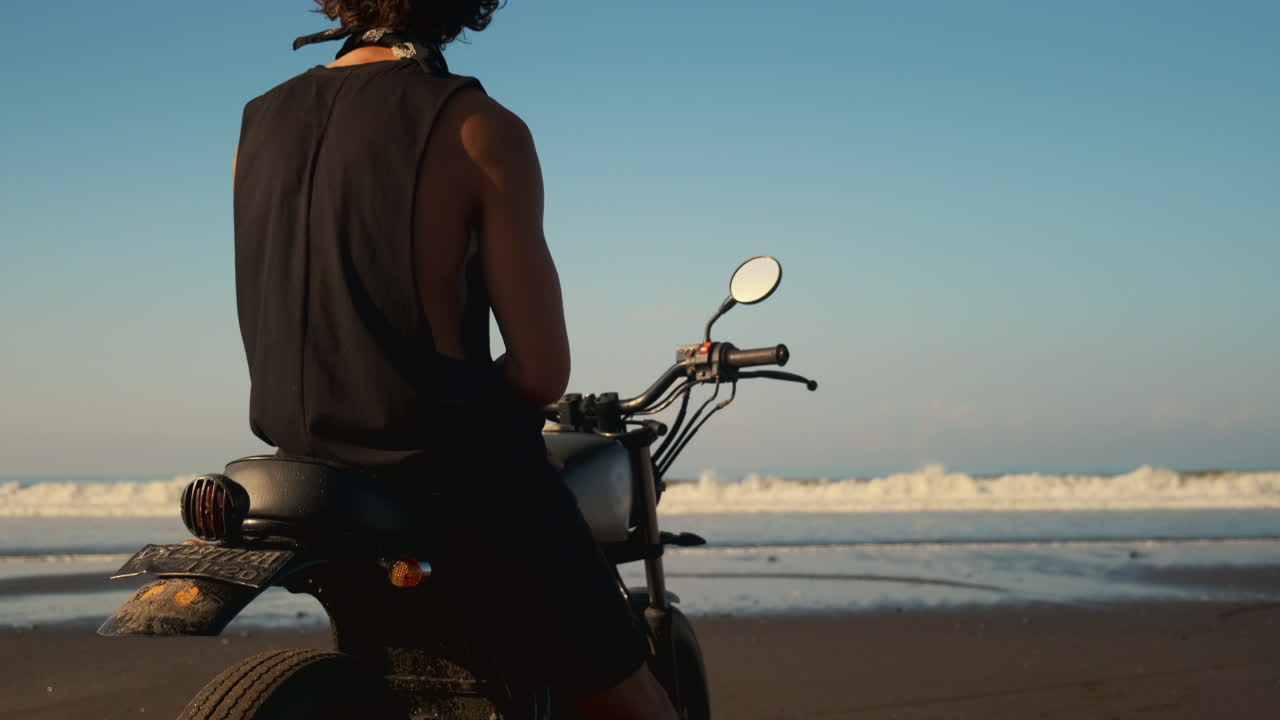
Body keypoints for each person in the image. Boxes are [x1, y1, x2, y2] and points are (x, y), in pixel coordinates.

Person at [232, 1, 679, 718]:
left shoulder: (256, 124)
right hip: (438, 466)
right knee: (626, 690)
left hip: (299, 462)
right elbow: (540, 374)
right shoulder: (480, 128)